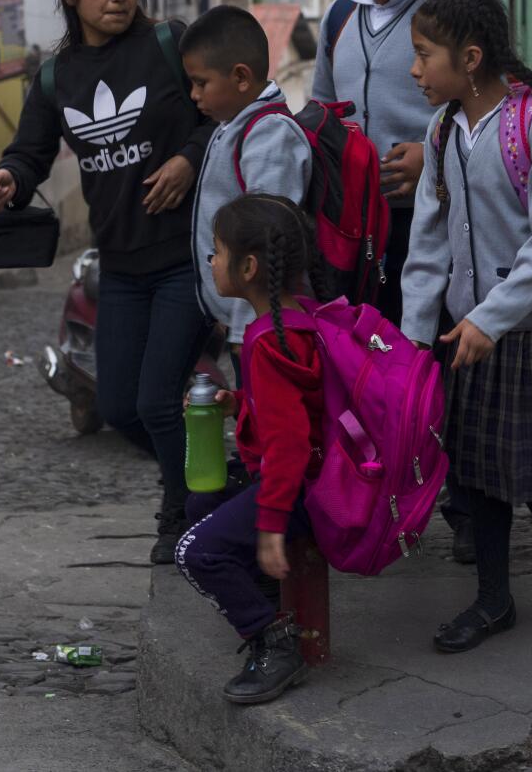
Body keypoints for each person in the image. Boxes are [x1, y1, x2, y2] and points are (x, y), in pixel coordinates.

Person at [0, 0, 214, 563]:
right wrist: (10, 178)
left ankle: (185, 505)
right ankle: (215, 482)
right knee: (118, 405)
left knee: (158, 401)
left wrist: (189, 160)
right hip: (120, 265)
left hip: (183, 257)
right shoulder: (58, 75)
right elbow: (29, 152)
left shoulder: (170, 45)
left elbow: (220, 115)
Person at [400, 0, 532, 655]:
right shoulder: (444, 130)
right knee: (478, 475)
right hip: (470, 332)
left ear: (469, 57)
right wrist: (411, 339)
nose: (415, 69)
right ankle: (494, 599)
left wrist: (491, 318)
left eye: (423, 54)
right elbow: (427, 242)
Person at [310, 0, 469, 557]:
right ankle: (378, 489)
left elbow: (483, 106)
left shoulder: (449, 17)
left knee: (437, 356)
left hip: (432, 226)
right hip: (356, 231)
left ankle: (463, 500)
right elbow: (320, 111)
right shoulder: (339, 18)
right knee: (366, 361)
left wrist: (428, 152)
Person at [173, 194, 326, 706]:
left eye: (217, 252)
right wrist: (238, 400)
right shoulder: (294, 319)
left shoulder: (267, 342)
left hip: (301, 490)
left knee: (193, 552)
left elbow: (289, 443)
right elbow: (292, 407)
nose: (211, 261)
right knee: (200, 504)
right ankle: (265, 600)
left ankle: (274, 643)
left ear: (249, 266)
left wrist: (270, 524)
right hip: (312, 478)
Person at [180, 5, 312, 347]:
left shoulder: (269, 135)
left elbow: (261, 243)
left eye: (201, 83)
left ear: (240, 77)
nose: (194, 95)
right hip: (246, 321)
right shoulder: (234, 125)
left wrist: (244, 332)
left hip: (264, 328)